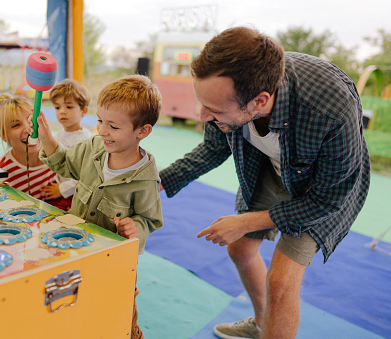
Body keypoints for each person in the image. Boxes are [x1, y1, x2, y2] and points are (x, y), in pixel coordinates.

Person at [159, 26, 370, 339]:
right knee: (240, 249)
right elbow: (213, 148)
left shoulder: (330, 108)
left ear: (259, 101)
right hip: (268, 167)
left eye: (214, 110)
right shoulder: (229, 92)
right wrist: (157, 182)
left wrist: (246, 221)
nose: (203, 116)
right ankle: (261, 324)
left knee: (281, 283)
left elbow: (328, 199)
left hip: (319, 187)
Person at [36, 74, 163, 339]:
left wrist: (134, 227)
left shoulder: (146, 178)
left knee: (120, 306)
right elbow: (64, 164)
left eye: (113, 127)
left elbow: (150, 220)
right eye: (100, 120)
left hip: (114, 261)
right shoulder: (92, 148)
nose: (102, 130)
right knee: (76, 296)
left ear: (142, 131)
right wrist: (47, 138)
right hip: (76, 247)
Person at [0, 94, 68, 209]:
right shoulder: (1, 175)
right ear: (3, 136)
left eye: (31, 120)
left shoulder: (55, 152)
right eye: (16, 125)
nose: (29, 129)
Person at [46, 79, 93, 210]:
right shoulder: (59, 134)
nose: (62, 111)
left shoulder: (85, 140)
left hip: (75, 193)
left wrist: (61, 189)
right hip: (60, 186)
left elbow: (86, 176)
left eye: (69, 107)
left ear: (83, 111)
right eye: (57, 107)